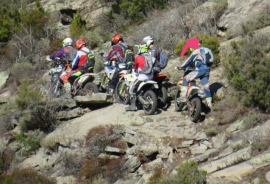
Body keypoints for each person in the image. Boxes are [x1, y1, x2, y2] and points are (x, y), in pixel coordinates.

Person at [176, 37, 214, 110]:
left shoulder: (197, 51)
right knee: (206, 88)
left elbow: (189, 60)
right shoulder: (207, 49)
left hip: (200, 70)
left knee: (186, 78)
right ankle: (210, 105)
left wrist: (181, 67)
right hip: (207, 70)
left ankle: (183, 97)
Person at [125, 43, 154, 111]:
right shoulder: (149, 56)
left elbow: (135, 69)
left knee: (132, 89)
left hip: (143, 76)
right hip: (151, 76)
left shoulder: (138, 57)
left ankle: (133, 106)